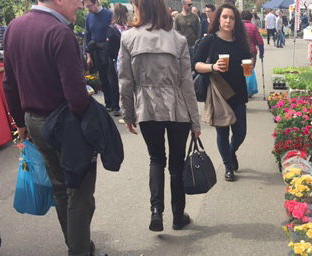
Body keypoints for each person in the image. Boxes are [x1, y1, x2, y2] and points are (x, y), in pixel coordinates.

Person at [3, 0, 110, 256]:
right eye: (77, 1)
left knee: (61, 186)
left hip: (34, 121)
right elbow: (76, 96)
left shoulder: (15, 27)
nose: (81, 5)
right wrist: (91, 123)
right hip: (63, 123)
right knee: (80, 188)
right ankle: (79, 255)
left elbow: (9, 83)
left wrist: (19, 122)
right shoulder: (59, 33)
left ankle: (77, 242)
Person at [119, 0, 201, 232]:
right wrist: (195, 120)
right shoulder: (178, 40)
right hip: (177, 107)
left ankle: (156, 211)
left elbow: (125, 79)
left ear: (141, 9)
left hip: (146, 106)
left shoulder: (128, 38)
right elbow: (187, 83)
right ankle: (178, 215)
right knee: (176, 164)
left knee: (156, 159)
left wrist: (127, 113)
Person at [194, 4, 251, 182]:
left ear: (236, 21)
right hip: (218, 93)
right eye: (225, 17)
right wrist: (212, 66)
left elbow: (248, 61)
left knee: (241, 132)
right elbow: (195, 64)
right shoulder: (210, 40)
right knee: (222, 133)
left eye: (232, 18)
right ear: (218, 19)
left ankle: (231, 152)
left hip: (238, 92)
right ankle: (228, 166)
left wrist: (248, 67)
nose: (228, 20)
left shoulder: (241, 41)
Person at [84, 0, 119, 114]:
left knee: (112, 78)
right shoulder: (89, 17)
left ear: (96, 3)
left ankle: (115, 105)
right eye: (86, 7)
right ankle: (108, 103)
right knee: (103, 78)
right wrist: (88, 55)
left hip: (108, 50)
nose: (88, 8)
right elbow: (87, 36)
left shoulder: (109, 14)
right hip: (96, 50)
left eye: (89, 6)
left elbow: (113, 33)